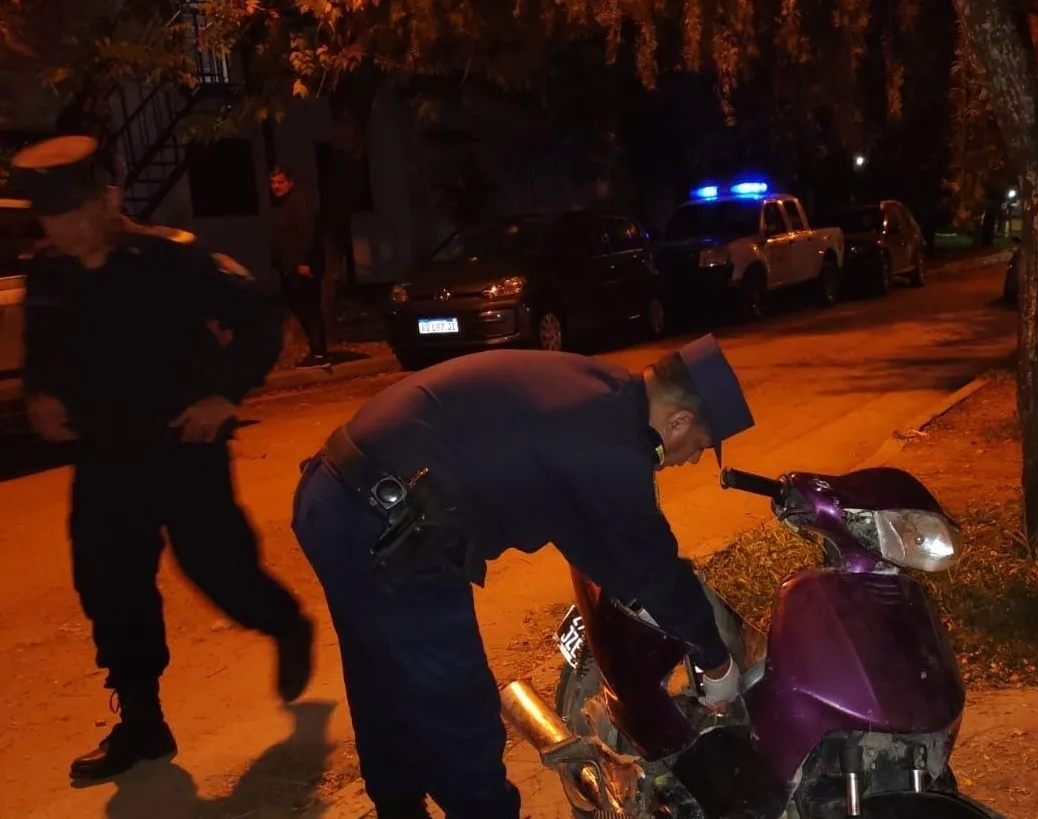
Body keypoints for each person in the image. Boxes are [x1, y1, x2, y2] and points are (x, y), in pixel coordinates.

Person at [291, 335, 755, 819]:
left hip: (333, 497)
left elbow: (581, 529)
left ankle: (398, 806)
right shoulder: (613, 441)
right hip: (384, 530)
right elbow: (652, 559)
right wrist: (716, 661)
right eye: (699, 446)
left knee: (382, 679)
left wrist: (637, 599)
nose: (692, 459)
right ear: (678, 421)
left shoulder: (595, 393)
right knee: (460, 713)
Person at [9, 135, 315, 783]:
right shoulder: (51, 272)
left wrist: (223, 395)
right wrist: (41, 395)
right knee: (108, 586)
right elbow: (42, 351)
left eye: (70, 213)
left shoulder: (171, 258)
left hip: (183, 447)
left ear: (106, 200)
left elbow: (261, 319)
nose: (60, 229)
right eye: (50, 217)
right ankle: (142, 722)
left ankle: (285, 623)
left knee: (218, 570)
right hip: (104, 456)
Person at [269, 165, 330, 368]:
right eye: (273, 183)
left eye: (280, 182)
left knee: (310, 308)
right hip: (288, 268)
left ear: (290, 182)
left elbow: (307, 233)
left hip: (301, 268)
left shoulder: (298, 202)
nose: (276, 186)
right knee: (298, 306)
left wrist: (305, 262)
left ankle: (320, 352)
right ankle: (316, 349)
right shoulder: (281, 206)